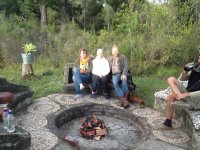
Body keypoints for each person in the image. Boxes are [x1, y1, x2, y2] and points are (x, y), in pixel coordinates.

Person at [157, 56, 200, 130]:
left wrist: (186, 94)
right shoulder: (196, 69)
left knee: (172, 95)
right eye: (199, 57)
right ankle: (168, 124)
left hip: (196, 100)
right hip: (187, 94)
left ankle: (180, 96)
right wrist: (186, 71)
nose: (199, 60)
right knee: (171, 80)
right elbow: (183, 78)